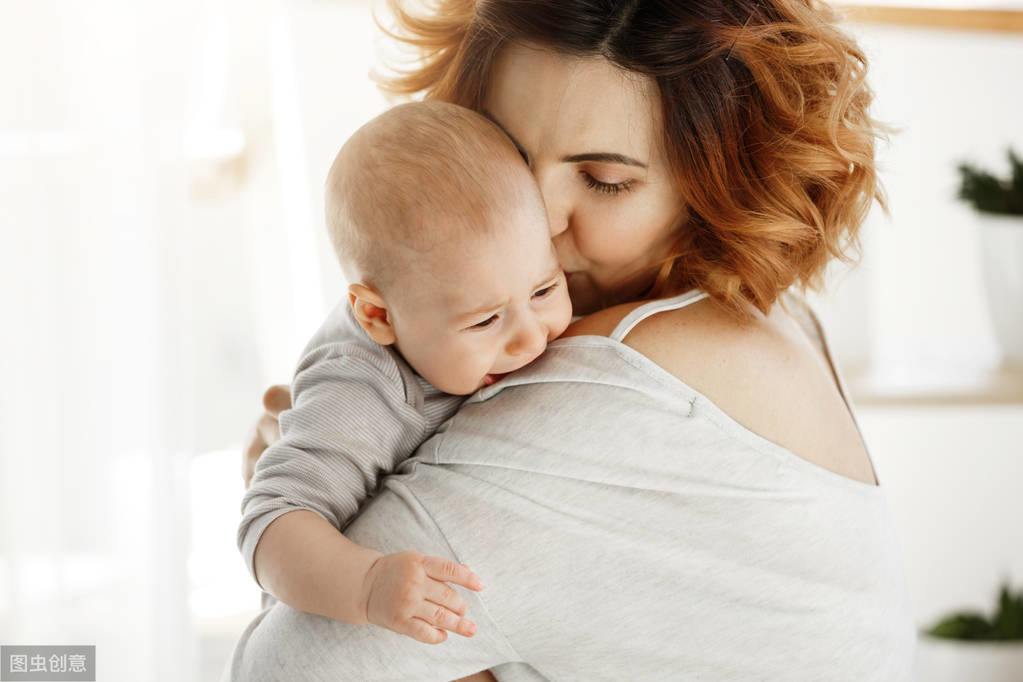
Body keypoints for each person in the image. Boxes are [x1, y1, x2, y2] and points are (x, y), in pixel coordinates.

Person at [225, 0, 917, 679]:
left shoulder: (613, 384)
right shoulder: (774, 318)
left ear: (715, 188)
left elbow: (283, 669)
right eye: (510, 152)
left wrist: (305, 501)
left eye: (603, 180)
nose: (539, 217)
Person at [239, 100, 573, 647]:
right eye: (485, 320)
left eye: (545, 289)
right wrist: (367, 583)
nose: (531, 337)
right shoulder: (361, 389)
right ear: (377, 315)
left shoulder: (453, 298)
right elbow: (269, 525)